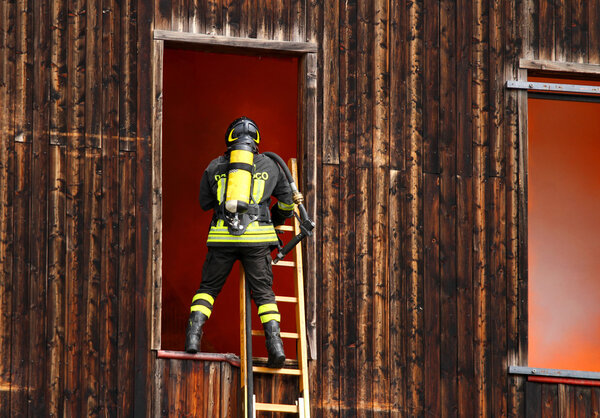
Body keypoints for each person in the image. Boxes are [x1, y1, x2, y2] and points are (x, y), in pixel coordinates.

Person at [185, 116, 294, 368]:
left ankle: (192, 337)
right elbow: (288, 206)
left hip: (221, 238)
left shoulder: (214, 166)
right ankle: (276, 347)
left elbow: (204, 203)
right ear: (256, 139)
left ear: (229, 138)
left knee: (208, 289)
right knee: (264, 294)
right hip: (257, 240)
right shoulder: (271, 164)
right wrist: (272, 219)